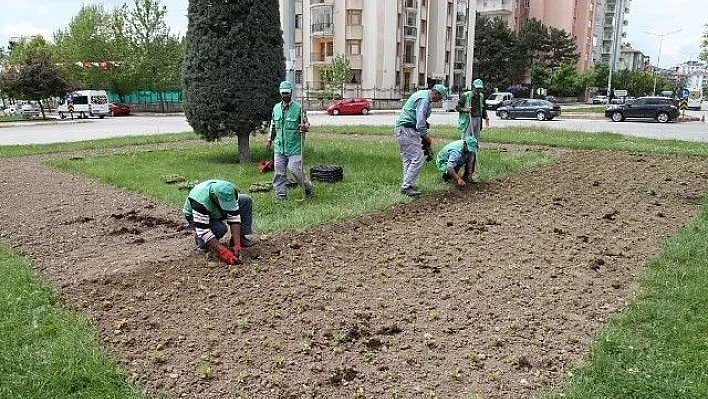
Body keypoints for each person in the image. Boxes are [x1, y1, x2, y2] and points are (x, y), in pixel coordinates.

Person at [394, 84, 449, 197]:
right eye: (440, 98)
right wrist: (426, 137)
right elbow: (420, 124)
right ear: (436, 93)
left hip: (403, 129)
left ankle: (407, 184)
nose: (438, 101)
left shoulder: (423, 95)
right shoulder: (424, 100)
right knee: (418, 157)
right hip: (407, 130)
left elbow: (417, 116)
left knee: (408, 158)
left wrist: (424, 123)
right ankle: (406, 187)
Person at [183, 179, 255, 265]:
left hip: (216, 211)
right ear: (215, 197)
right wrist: (223, 251)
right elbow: (203, 230)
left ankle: (241, 238)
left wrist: (237, 243)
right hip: (195, 216)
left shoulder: (230, 192)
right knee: (220, 229)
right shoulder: (199, 201)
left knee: (245, 200)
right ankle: (201, 244)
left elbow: (234, 217)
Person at [266, 80, 314, 200]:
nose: (285, 95)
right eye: (283, 93)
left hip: (294, 147)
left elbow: (307, 124)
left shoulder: (298, 108)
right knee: (279, 173)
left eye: (287, 93)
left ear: (291, 92)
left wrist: (304, 127)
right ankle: (281, 196)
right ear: (280, 93)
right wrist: (269, 139)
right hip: (279, 146)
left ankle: (308, 188)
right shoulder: (276, 108)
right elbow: (273, 125)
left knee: (295, 170)